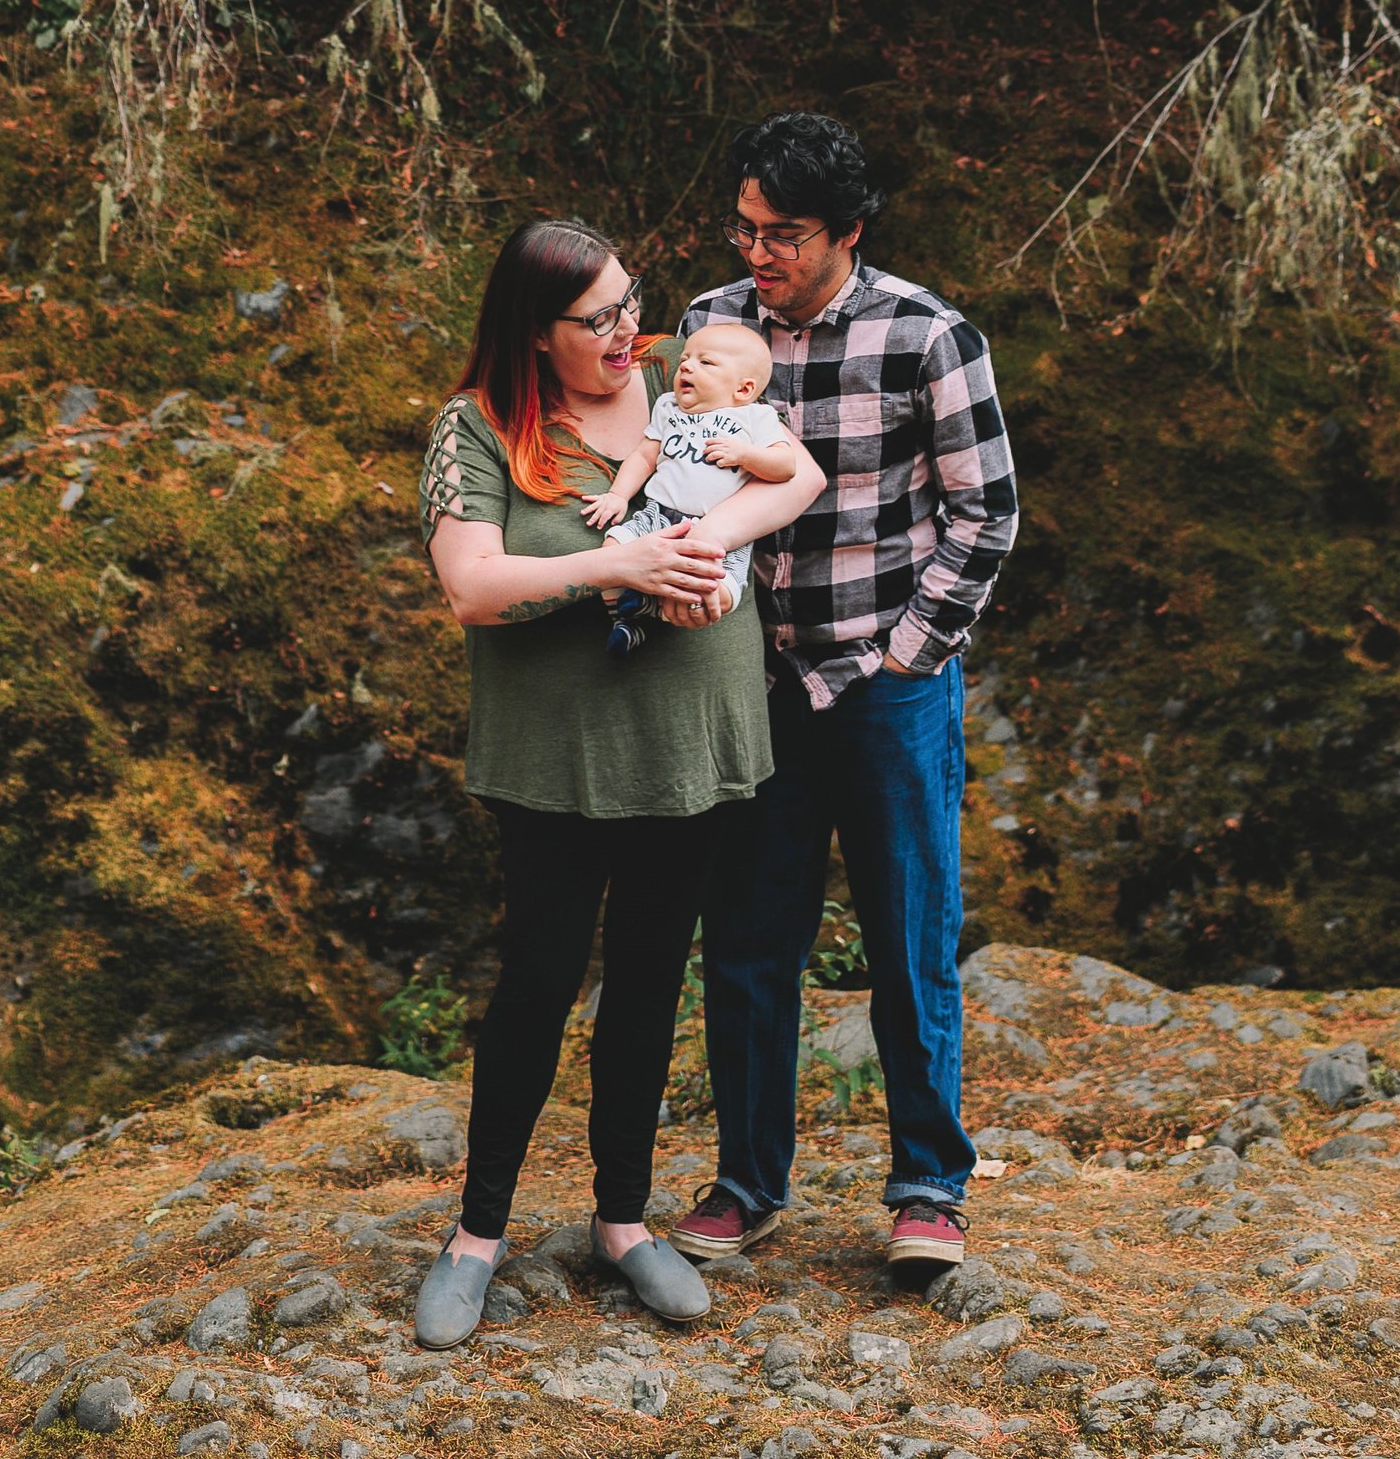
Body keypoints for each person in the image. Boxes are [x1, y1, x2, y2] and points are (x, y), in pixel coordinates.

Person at [415, 217, 829, 1351]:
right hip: (553, 760)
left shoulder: (683, 382)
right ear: (534, 332)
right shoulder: (479, 425)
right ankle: (476, 1236)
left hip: (685, 748)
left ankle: (620, 1220)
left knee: (648, 985)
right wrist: (618, 563)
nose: (628, 330)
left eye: (630, 302)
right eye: (597, 316)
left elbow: (798, 473)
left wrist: (706, 542)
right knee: (539, 986)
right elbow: (473, 586)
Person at [668, 112, 1019, 1293]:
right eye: (746, 226)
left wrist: (911, 655)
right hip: (749, 683)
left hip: (889, 687)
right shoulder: (707, 330)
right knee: (749, 941)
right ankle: (747, 1183)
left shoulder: (928, 335)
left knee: (909, 934)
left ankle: (928, 1189)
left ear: (848, 233)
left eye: (784, 234)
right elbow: (673, 474)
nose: (756, 251)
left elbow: (986, 513)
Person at [583, 316, 798, 657]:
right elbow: (644, 455)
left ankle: (651, 611)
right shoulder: (668, 407)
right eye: (685, 360)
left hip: (722, 538)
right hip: (658, 518)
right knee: (610, 551)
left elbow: (786, 468)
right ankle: (627, 621)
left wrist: (746, 454)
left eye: (705, 362)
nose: (687, 368)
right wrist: (618, 495)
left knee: (721, 593)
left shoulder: (756, 418)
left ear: (743, 389)